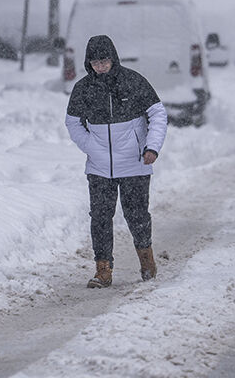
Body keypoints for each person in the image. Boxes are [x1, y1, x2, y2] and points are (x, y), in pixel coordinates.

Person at [65, 35, 168, 288]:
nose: (100, 66)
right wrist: (91, 147)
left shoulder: (133, 81)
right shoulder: (83, 88)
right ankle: (103, 270)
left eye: (104, 61)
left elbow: (158, 112)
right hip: (99, 167)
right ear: (88, 63)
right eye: (95, 62)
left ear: (113, 59)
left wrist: (151, 147)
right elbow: (72, 122)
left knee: (137, 215)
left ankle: (146, 260)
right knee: (100, 217)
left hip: (135, 163)